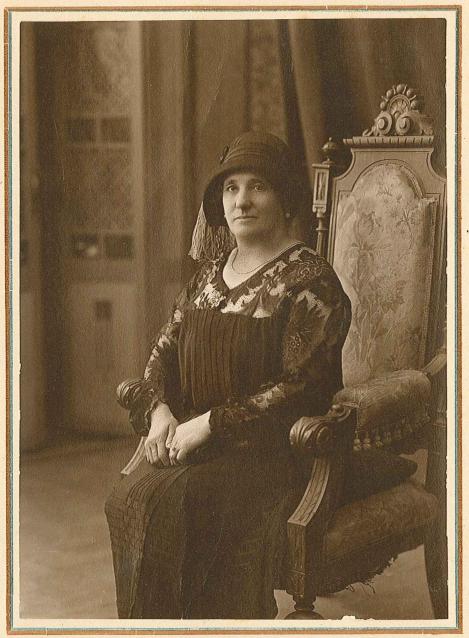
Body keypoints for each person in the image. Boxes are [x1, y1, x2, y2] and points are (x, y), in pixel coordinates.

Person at [105, 131, 351, 620]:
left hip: (275, 452)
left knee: (179, 507)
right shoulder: (208, 276)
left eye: (258, 186)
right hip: (197, 442)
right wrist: (160, 412)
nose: (242, 201)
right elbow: (162, 355)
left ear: (284, 198)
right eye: (230, 188)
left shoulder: (310, 281)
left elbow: (300, 389)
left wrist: (210, 424)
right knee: (128, 500)